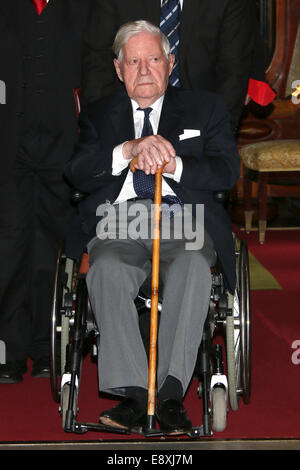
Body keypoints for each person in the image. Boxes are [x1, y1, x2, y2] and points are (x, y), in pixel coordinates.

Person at [64, 20, 240, 434]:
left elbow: (227, 170)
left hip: (185, 221)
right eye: (134, 61)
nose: (144, 70)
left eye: (154, 59)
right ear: (119, 69)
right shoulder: (99, 114)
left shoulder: (206, 108)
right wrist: (127, 150)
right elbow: (75, 171)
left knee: (194, 267)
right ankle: (132, 393)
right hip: (119, 221)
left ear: (171, 63)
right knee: (106, 267)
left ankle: (168, 393)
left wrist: (174, 163)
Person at [0, 0, 91, 383]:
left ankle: (46, 347)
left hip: (64, 142)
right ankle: (7, 349)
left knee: (51, 246)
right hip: (7, 141)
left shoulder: (85, 7)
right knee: (8, 243)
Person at [81, 0, 256, 130]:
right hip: (127, 118)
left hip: (200, 121)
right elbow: (97, 65)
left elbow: (233, 73)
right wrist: (106, 132)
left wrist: (215, 136)